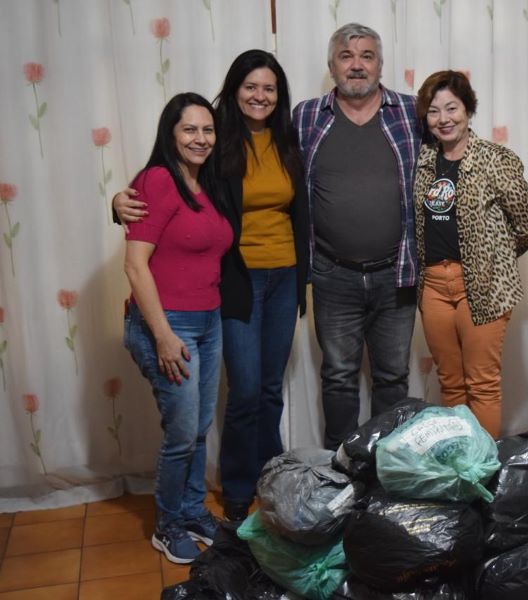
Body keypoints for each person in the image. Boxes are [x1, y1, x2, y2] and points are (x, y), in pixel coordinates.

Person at [114, 50, 309, 522]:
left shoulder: (288, 140)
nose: (259, 96)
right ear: (234, 89)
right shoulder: (214, 139)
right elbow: (168, 187)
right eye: (250, 86)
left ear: (278, 95)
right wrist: (120, 200)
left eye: (269, 88)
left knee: (268, 389)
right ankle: (239, 488)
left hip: (285, 277)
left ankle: (273, 478)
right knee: (243, 391)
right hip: (237, 279)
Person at [293, 23, 421, 450]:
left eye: (367, 55)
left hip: (396, 274)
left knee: (392, 376)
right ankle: (340, 471)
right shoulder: (306, 116)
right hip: (333, 275)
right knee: (339, 377)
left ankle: (387, 471)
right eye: (347, 56)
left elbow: (458, 151)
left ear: (380, 65)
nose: (357, 65)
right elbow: (258, 164)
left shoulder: (411, 111)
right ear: (331, 66)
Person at [122, 93, 232, 563]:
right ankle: (168, 525)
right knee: (182, 433)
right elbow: (134, 265)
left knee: (200, 429)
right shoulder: (157, 180)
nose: (200, 139)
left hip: (209, 320)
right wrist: (164, 335)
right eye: (190, 129)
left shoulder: (205, 183)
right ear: (171, 133)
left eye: (207, 130)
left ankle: (192, 510)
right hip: (168, 325)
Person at [412, 70, 528, 438]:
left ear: (468, 110)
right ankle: (460, 470)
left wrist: (497, 257)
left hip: (482, 288)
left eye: (452, 108)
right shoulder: (424, 161)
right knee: (450, 383)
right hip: (434, 287)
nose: (444, 119)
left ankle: (484, 477)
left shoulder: (495, 159)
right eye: (434, 112)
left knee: (482, 384)